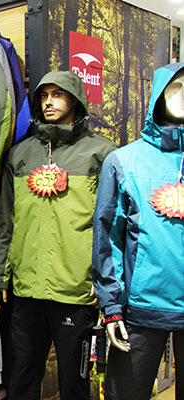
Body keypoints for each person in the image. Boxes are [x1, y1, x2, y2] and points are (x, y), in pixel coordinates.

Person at [0, 71, 116, 399]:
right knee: (23, 377)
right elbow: (6, 221)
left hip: (75, 289)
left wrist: (106, 282)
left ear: (75, 100)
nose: (48, 102)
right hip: (27, 287)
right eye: (43, 96)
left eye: (58, 95)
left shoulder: (102, 154)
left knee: (74, 383)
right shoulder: (20, 155)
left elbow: (113, 226)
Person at [93, 63, 184, 400]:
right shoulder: (123, 162)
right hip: (141, 308)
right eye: (176, 86)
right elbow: (108, 239)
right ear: (158, 93)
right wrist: (111, 306)